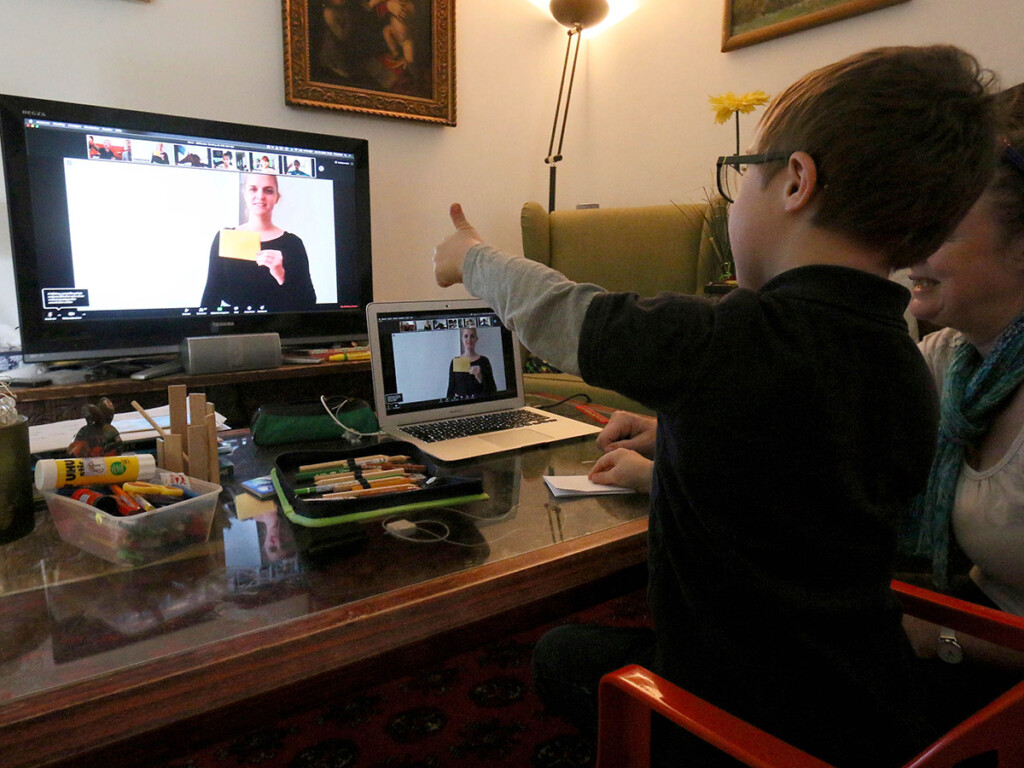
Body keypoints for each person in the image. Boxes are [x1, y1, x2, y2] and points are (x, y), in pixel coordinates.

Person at [431, 46, 1001, 767]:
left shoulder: (737, 340)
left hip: (743, 722)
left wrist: (471, 255)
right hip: (868, 702)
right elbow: (793, 463)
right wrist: (673, 434)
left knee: (563, 654)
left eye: (743, 175)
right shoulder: (907, 360)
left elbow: (567, 315)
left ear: (795, 181)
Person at [899, 126, 1024, 722]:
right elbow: (829, 424)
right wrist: (670, 440)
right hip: (984, 613)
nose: (905, 248)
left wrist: (940, 638)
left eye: (939, 228)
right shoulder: (953, 358)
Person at [201, 173, 316, 312]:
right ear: (244, 193)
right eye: (253, 189)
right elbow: (210, 297)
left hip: (280, 327)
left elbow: (308, 303)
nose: (260, 196)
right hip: (233, 328)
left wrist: (281, 274)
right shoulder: (225, 237)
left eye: (268, 190)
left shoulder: (293, 243)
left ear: (277, 197)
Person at [446, 326, 496, 399]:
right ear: (462, 339)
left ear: (476, 339)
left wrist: (480, 377)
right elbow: (450, 390)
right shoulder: (455, 361)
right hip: (461, 407)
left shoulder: (484, 361)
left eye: (472, 336)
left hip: (481, 404)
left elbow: (493, 390)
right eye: (466, 336)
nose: (469, 339)